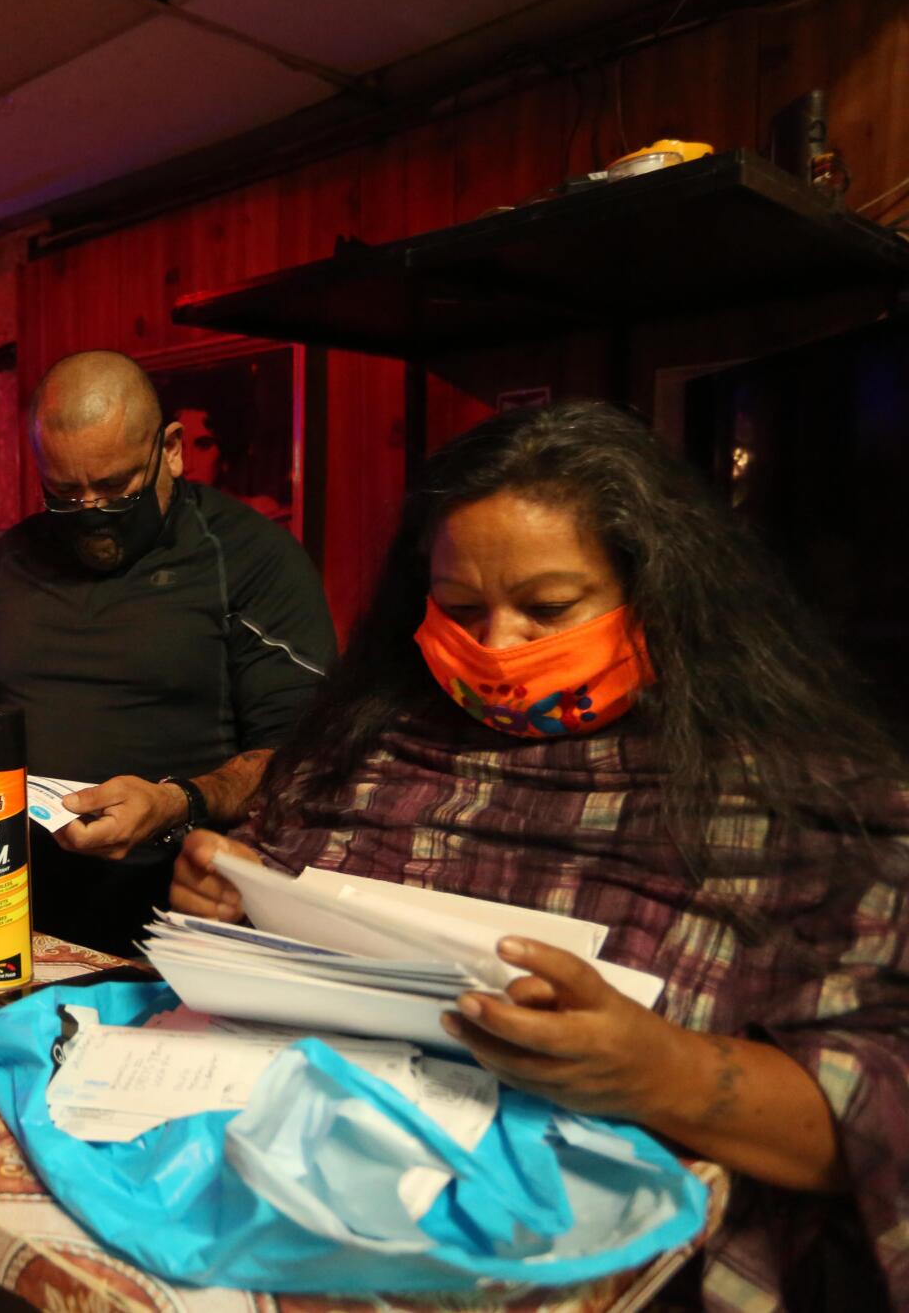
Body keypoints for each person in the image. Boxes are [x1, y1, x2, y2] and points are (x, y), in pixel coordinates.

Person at [169, 401, 909, 1310]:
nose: (495, 647)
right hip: (332, 1193)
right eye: (461, 608)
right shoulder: (365, 751)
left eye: (549, 608)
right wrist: (228, 896)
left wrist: (656, 1070)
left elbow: (885, 1108)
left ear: (658, 591)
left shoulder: (806, 805)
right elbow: (284, 893)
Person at [0, 350, 336, 956]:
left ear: (173, 449)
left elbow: (299, 759)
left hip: (188, 904)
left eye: (115, 488)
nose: (91, 516)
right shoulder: (16, 558)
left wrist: (175, 801)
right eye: (64, 492)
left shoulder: (252, 559)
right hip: (19, 891)